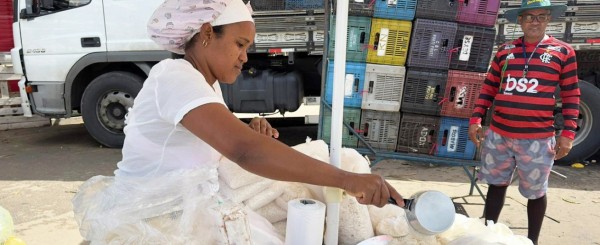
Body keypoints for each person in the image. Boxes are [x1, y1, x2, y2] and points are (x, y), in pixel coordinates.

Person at [115, 0, 403, 208]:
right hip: (151, 218)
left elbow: (219, 143)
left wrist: (245, 132)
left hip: (183, 209)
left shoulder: (206, 83)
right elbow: (245, 152)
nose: (244, 57)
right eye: (240, 45)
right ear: (206, 34)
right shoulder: (175, 77)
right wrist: (346, 180)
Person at [468, 0, 580, 245]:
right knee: (496, 186)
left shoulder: (563, 52)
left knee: (536, 192)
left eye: (541, 16)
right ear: (520, 20)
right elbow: (489, 88)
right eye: (530, 17)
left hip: (538, 138)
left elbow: (572, 94)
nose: (535, 22)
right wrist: (476, 118)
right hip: (499, 134)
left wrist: (568, 133)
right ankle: (487, 235)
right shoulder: (505, 51)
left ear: (549, 19)